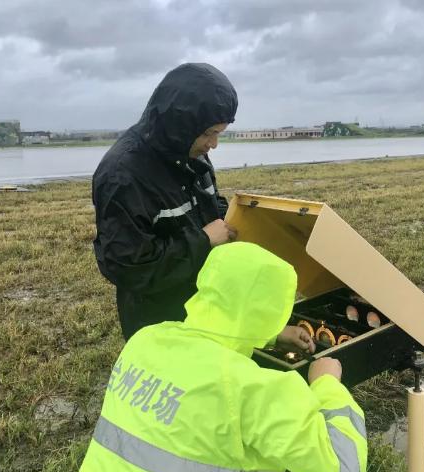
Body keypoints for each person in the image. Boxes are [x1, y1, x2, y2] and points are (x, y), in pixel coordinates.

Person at [63, 242, 367, 472]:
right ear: (275, 309)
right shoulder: (254, 389)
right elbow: (344, 464)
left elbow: (220, 321)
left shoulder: (144, 341)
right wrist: (327, 384)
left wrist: (268, 335)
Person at [92, 63, 310, 352]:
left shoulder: (190, 154)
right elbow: (130, 267)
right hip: (160, 323)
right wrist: (204, 240)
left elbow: (210, 208)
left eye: (219, 133)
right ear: (180, 126)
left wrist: (239, 219)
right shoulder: (123, 175)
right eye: (209, 133)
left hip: (207, 305)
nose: (214, 144)